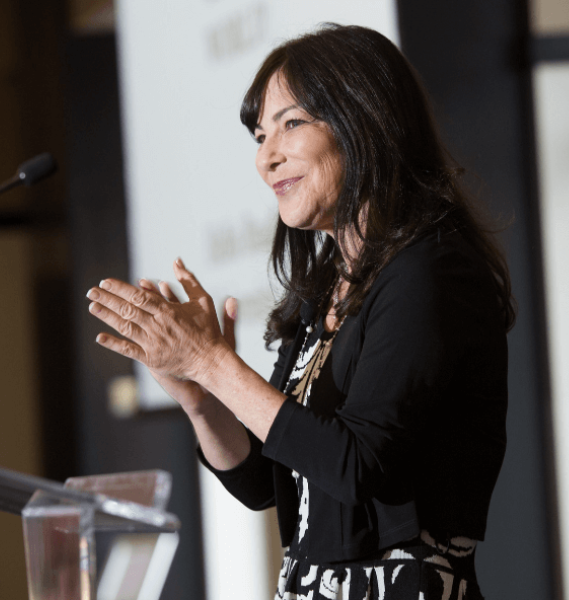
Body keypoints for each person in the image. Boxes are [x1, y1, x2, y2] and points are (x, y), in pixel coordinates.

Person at [86, 24, 514, 600]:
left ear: (364, 120)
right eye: (261, 136)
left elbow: (357, 467)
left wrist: (214, 362)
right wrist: (199, 394)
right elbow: (267, 480)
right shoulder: (326, 289)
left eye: (291, 124)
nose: (267, 158)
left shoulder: (430, 273)